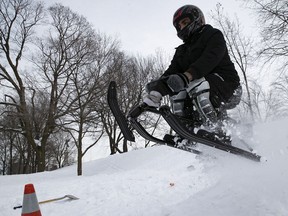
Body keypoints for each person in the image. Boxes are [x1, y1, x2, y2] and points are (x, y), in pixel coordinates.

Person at [143, 5, 242, 141]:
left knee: (197, 84)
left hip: (228, 85)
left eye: (185, 22)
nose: (182, 27)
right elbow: (171, 72)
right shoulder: (181, 51)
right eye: (179, 25)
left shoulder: (213, 35)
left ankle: (218, 129)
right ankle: (187, 133)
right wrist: (157, 90)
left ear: (197, 19)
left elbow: (210, 58)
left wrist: (188, 75)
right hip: (200, 87)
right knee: (178, 93)